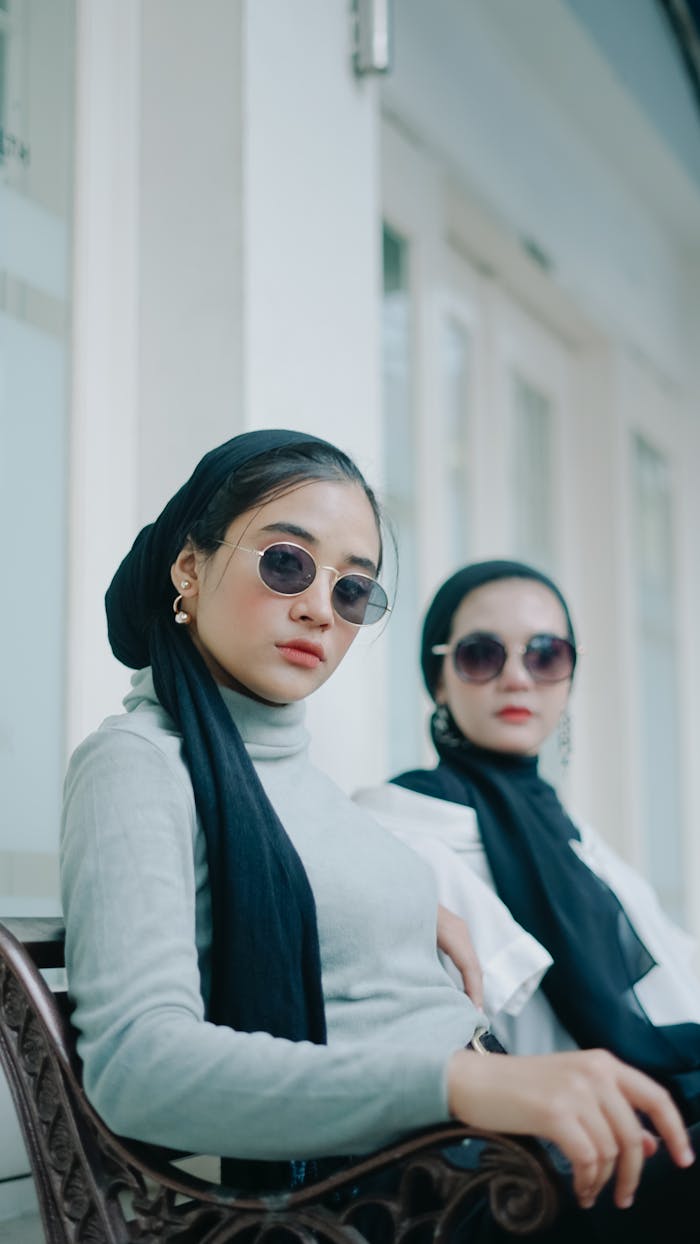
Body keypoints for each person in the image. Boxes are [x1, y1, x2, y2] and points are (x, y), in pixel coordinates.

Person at [61, 439, 698, 1243]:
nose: (320, 609)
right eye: (287, 563)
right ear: (189, 567)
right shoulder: (138, 763)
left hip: (492, 1160)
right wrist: (461, 1083)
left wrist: (409, 907)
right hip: (417, 1197)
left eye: (352, 587)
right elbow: (137, 1070)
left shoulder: (295, 787)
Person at [355, 559, 700, 1125]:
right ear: (439, 678)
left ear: (568, 678)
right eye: (481, 654)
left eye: (545, 655)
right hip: (541, 1143)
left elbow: (676, 977)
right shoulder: (398, 823)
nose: (517, 678)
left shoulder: (574, 836)